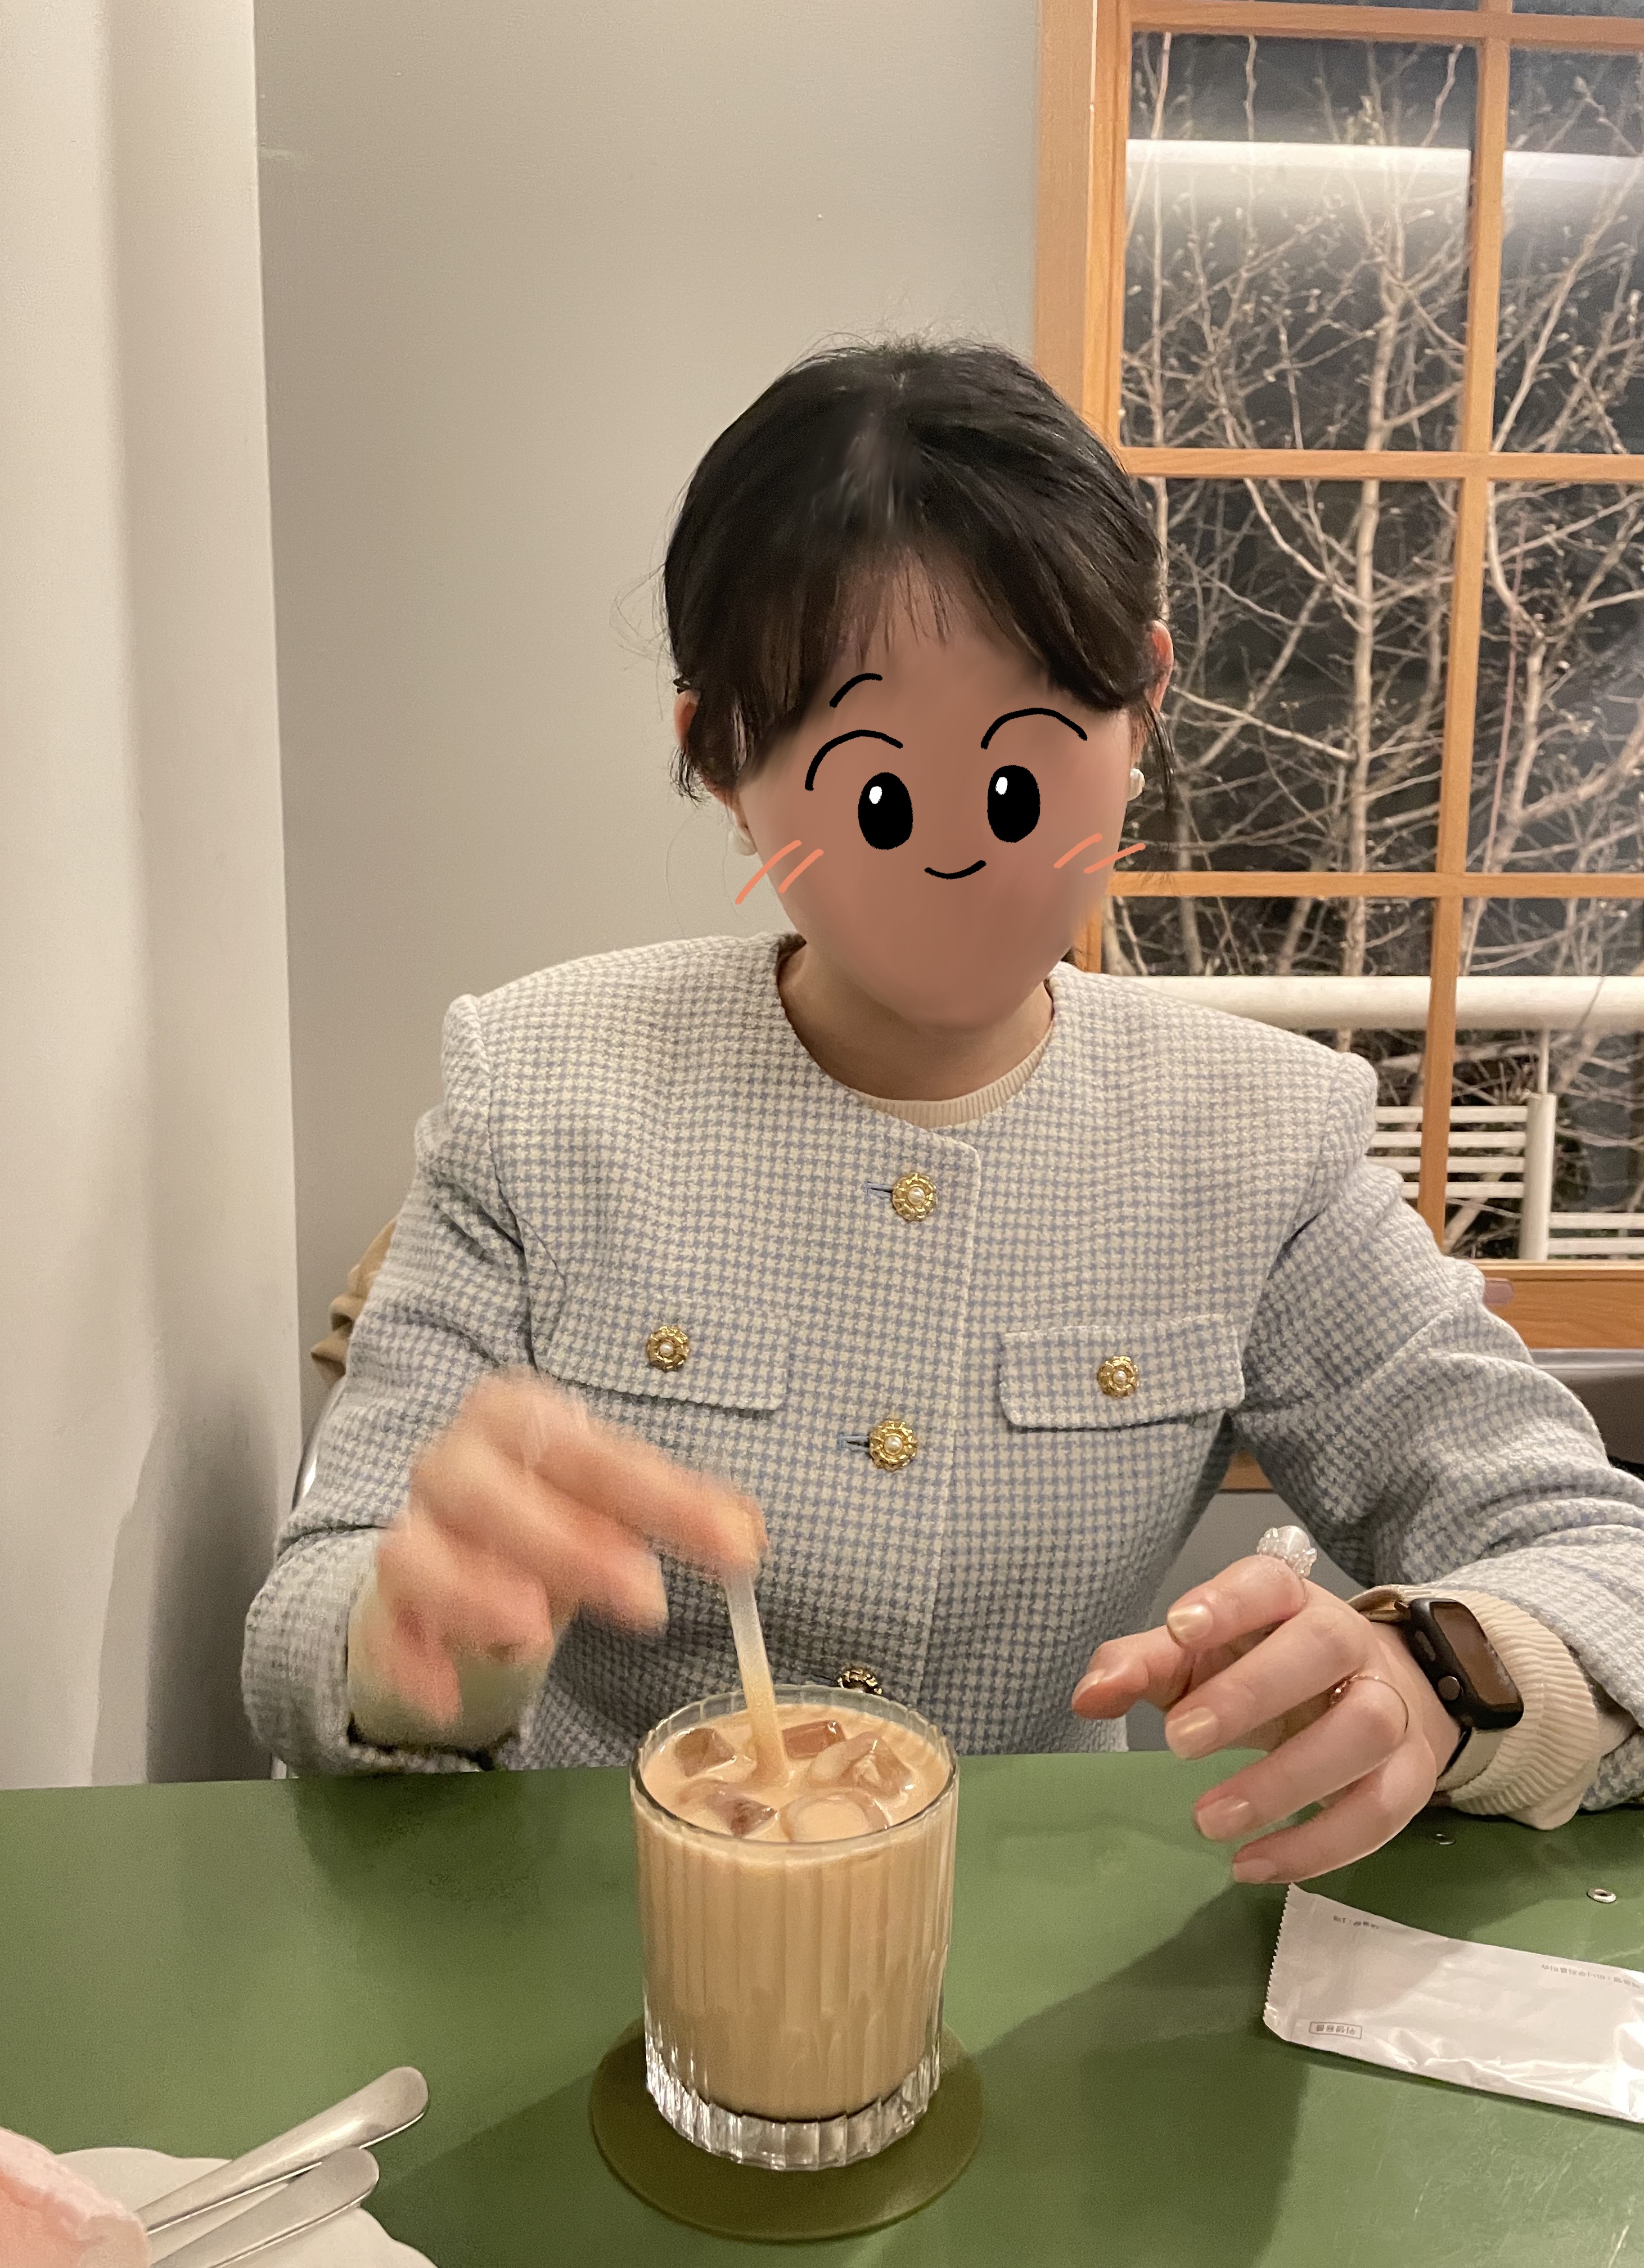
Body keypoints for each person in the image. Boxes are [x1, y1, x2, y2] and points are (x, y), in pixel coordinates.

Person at [242, 339, 1644, 1885]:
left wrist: (1438, 1674)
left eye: (1019, 783)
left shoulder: (1258, 1139)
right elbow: (308, 1619)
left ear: (1143, 709)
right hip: (583, 1932)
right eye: (881, 800)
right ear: (719, 757)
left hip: (1030, 1947)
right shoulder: (539, 1087)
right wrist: (414, 1647)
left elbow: (1597, 1556)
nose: (960, 860)